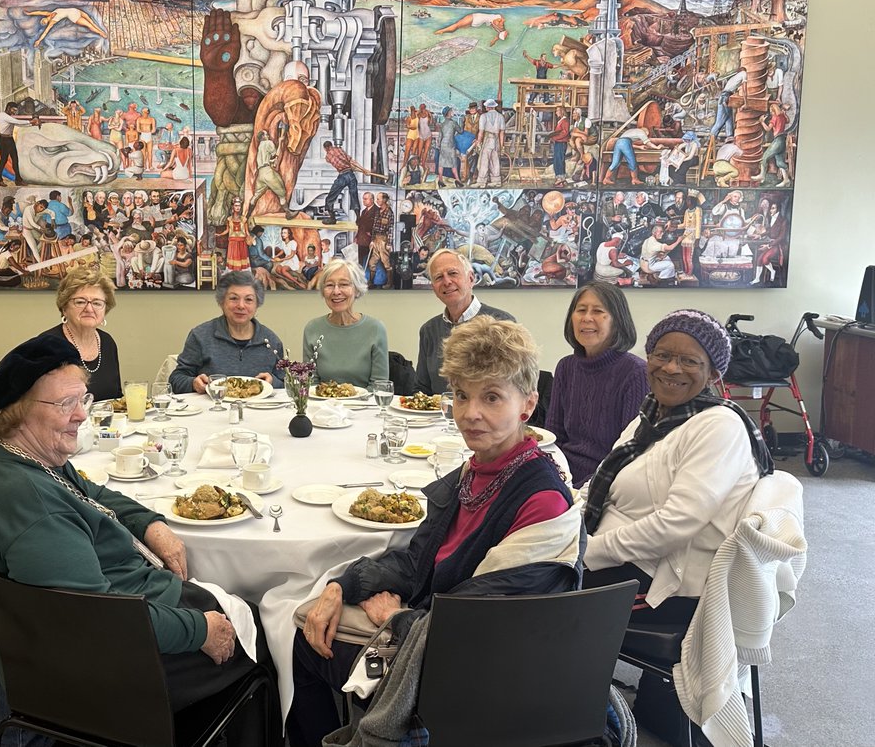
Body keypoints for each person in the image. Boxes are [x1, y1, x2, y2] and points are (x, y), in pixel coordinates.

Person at [288, 317, 583, 747]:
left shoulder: (543, 502)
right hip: (433, 633)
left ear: (528, 404)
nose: (471, 413)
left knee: (306, 644)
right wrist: (340, 585)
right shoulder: (474, 471)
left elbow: (484, 631)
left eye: (492, 397)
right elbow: (415, 562)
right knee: (314, 617)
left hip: (471, 678)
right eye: (462, 395)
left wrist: (400, 621)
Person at [0, 334, 275, 740]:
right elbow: (99, 617)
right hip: (109, 673)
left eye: (83, 400)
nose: (81, 416)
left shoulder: (20, 460)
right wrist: (199, 631)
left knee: (245, 613)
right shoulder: (33, 507)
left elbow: (92, 492)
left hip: (108, 622)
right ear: (15, 412)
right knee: (269, 631)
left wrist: (151, 524)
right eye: (64, 404)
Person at [582, 309, 773, 629]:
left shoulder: (719, 427)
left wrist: (586, 551)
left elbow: (674, 525)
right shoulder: (651, 415)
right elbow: (601, 480)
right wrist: (562, 528)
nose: (671, 367)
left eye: (689, 361)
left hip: (666, 584)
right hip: (617, 555)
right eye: (663, 355)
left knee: (529, 596)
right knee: (516, 561)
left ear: (713, 374)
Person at [546, 282, 648, 488]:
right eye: (581, 310)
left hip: (605, 483)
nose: (586, 318)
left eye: (598, 311)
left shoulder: (636, 373)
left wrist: (577, 490)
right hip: (561, 475)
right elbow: (553, 436)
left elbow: (628, 454)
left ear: (617, 321)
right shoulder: (566, 367)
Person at [415, 248, 515, 395]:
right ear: (433, 288)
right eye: (438, 277)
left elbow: (513, 388)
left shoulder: (501, 323)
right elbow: (421, 388)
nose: (447, 282)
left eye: (453, 273)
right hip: (436, 416)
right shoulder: (429, 330)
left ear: (471, 279)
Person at [169, 271, 285, 394]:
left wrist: (273, 382)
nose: (241, 305)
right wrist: (193, 383)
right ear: (222, 302)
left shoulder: (271, 341)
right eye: (234, 298)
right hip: (213, 409)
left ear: (257, 304)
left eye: (249, 299)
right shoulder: (200, 336)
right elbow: (176, 379)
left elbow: (286, 383)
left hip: (259, 410)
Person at [301, 259, 388, 388]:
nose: (336, 291)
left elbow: (379, 385)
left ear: (357, 289)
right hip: (323, 406)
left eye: (344, 284)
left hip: (365, 406)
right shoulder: (312, 329)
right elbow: (311, 384)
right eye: (329, 285)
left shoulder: (375, 329)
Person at [38, 268, 122, 402]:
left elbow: (116, 396)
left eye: (97, 303)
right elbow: (39, 404)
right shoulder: (47, 345)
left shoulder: (107, 342)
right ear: (64, 308)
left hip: (107, 422)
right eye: (80, 302)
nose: (89, 309)